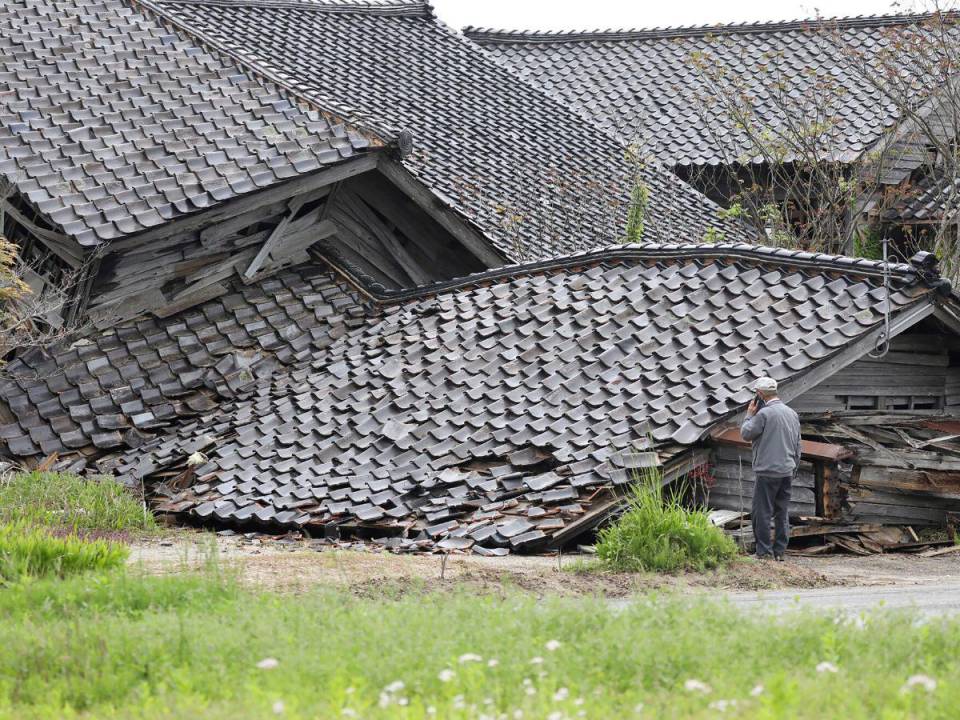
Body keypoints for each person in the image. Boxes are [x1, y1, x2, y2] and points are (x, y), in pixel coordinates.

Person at [740, 377, 801, 561]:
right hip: (787, 470)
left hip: (767, 471)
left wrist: (749, 415)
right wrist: (794, 467)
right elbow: (798, 445)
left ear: (759, 394)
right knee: (782, 512)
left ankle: (764, 552)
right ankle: (780, 552)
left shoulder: (763, 415)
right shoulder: (792, 413)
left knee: (762, 512)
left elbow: (746, 433)